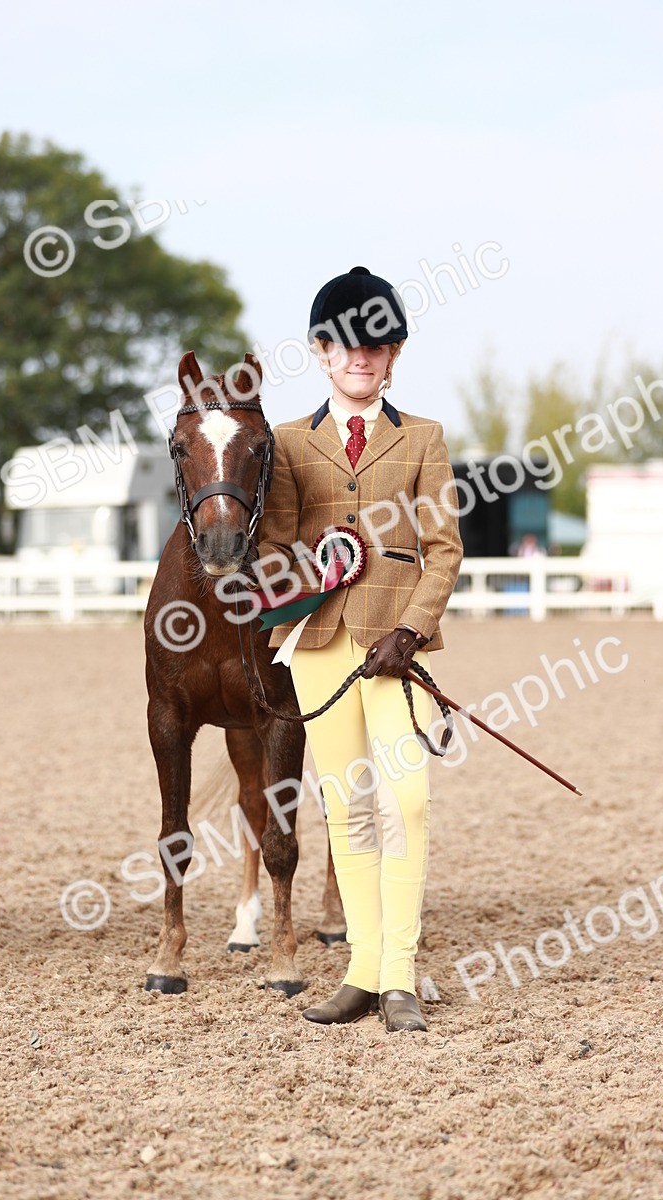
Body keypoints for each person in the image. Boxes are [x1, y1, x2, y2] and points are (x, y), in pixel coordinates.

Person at [255, 266, 463, 1032]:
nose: (361, 357)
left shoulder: (423, 440)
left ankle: (401, 975)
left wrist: (409, 632)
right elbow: (275, 549)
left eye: (377, 346)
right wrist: (302, 573)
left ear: (394, 354)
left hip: (395, 650)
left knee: (405, 801)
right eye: (346, 345)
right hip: (317, 645)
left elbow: (443, 549)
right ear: (320, 350)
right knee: (347, 810)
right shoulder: (288, 443)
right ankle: (363, 973)